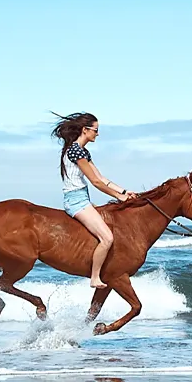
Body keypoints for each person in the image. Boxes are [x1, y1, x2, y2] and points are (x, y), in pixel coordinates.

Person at [51, 112, 137, 289]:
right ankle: (95, 277)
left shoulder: (83, 151)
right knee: (107, 238)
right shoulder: (75, 151)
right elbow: (95, 182)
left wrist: (125, 191)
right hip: (76, 201)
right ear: (85, 130)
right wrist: (118, 197)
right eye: (95, 130)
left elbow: (101, 177)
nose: (97, 134)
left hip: (83, 198)